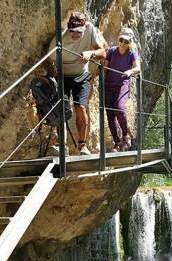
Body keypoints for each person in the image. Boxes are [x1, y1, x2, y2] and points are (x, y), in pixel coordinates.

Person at [48, 11, 106, 155]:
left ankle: (82, 146)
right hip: (63, 77)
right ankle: (61, 146)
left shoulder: (90, 29)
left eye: (78, 31)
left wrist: (91, 54)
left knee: (80, 107)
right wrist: (53, 71)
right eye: (72, 31)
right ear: (68, 28)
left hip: (82, 76)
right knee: (63, 108)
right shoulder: (59, 40)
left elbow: (103, 53)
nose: (75, 35)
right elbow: (48, 60)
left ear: (84, 27)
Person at [86, 27, 141, 152]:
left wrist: (129, 71)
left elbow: (138, 68)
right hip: (109, 85)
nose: (123, 43)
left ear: (130, 43)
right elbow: (104, 65)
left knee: (119, 108)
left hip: (122, 84)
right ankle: (117, 142)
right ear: (118, 39)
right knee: (110, 115)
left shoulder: (132, 54)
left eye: (126, 42)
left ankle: (126, 136)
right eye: (121, 40)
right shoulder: (111, 51)